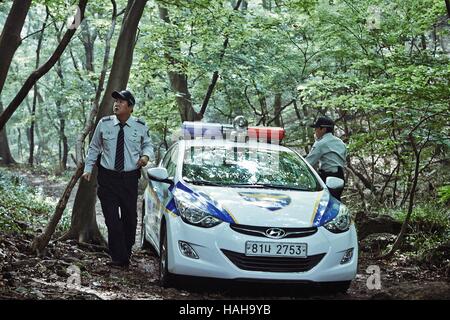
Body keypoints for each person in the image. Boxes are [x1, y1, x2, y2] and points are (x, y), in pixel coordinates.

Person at [82, 89, 154, 268]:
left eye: (121, 102)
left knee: (130, 219)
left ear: (130, 107)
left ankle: (126, 251)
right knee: (112, 220)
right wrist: (88, 168)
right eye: (116, 101)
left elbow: (148, 145)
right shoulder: (104, 123)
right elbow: (94, 147)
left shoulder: (140, 126)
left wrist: (145, 157)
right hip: (107, 179)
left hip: (129, 179)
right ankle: (118, 258)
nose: (116, 104)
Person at [305, 116, 347, 200]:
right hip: (340, 176)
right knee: (335, 201)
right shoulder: (340, 142)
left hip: (327, 176)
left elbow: (308, 163)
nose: (315, 131)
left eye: (316, 128)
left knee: (322, 202)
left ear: (323, 129)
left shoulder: (321, 143)